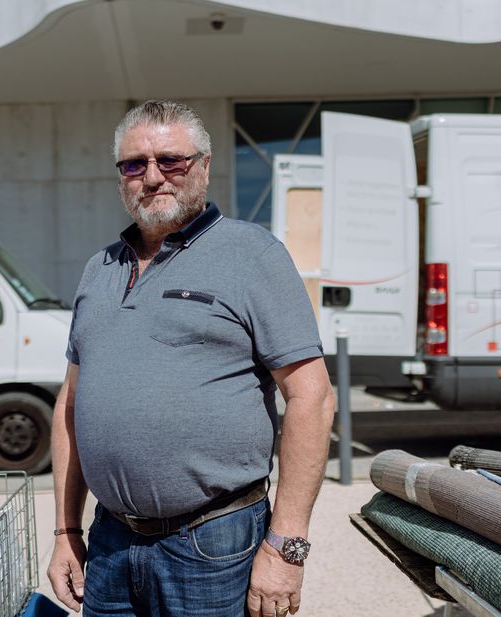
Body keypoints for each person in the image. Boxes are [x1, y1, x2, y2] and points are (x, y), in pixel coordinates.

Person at [47, 100, 335, 617]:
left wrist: (287, 547)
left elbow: (311, 397)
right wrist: (66, 530)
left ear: (202, 166)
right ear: (121, 177)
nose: (152, 177)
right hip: (110, 544)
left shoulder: (252, 254)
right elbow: (71, 404)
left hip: (212, 545)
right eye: (134, 164)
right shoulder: (99, 269)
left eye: (171, 161)